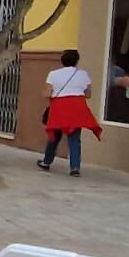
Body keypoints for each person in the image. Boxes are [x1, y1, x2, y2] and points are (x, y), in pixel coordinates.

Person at [39, 49, 102, 177]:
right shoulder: (84, 74)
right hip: (77, 107)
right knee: (74, 138)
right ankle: (75, 168)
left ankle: (46, 162)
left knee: (54, 136)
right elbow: (88, 94)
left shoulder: (53, 74)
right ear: (77, 61)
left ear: (62, 60)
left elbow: (46, 93)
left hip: (59, 107)